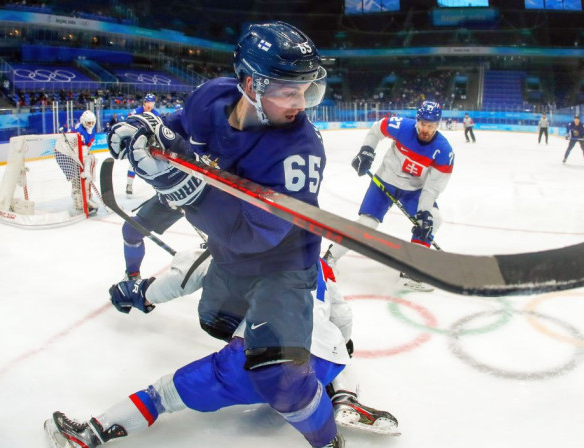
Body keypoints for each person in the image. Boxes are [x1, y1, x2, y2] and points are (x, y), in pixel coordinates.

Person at [104, 21, 342, 448]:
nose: (301, 103)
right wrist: (147, 133)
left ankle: (328, 441)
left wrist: (183, 188)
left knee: (278, 376)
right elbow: (176, 131)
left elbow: (257, 237)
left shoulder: (300, 149)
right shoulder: (211, 97)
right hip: (226, 251)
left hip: (283, 264)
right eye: (289, 90)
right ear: (251, 84)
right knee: (211, 314)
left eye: (305, 89)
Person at [44, 251, 399, 448]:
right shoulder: (318, 264)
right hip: (322, 363)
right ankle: (339, 400)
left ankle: (90, 434)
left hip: (256, 360)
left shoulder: (242, 240)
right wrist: (344, 349)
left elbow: (184, 278)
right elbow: (343, 316)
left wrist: (141, 295)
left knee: (162, 394)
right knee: (335, 356)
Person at [322, 100, 454, 292]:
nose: (426, 129)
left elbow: (432, 188)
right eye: (423, 124)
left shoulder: (444, 151)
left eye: (431, 125)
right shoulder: (402, 126)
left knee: (433, 218)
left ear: (438, 124)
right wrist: (366, 150)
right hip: (386, 181)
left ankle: (411, 270)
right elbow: (377, 129)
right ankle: (329, 258)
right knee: (367, 223)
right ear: (417, 121)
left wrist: (423, 214)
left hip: (414, 190)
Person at [57, 110, 98, 215]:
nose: (91, 125)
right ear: (84, 121)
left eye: (93, 123)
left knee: (83, 174)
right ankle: (78, 202)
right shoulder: (78, 131)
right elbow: (79, 150)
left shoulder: (90, 130)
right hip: (63, 153)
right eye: (89, 123)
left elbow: (87, 148)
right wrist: (86, 167)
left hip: (74, 152)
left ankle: (86, 198)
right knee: (76, 178)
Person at [125, 93, 160, 198]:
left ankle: (159, 188)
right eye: (148, 102)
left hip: (149, 142)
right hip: (136, 142)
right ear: (144, 103)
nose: (150, 105)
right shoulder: (136, 112)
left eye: (152, 103)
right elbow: (127, 124)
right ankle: (129, 185)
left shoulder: (155, 113)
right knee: (133, 165)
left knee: (154, 165)